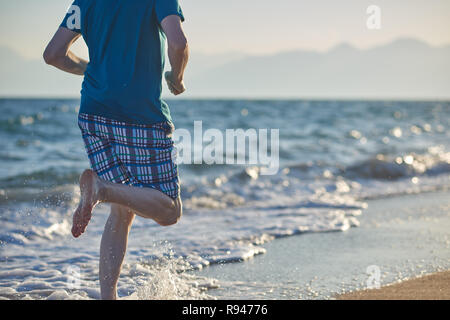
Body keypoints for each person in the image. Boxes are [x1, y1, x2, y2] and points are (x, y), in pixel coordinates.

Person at [43, 0, 189, 300]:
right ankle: (101, 190)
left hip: (93, 114)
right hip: (140, 117)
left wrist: (91, 68)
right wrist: (177, 77)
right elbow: (178, 42)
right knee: (169, 210)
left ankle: (108, 298)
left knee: (123, 210)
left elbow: (53, 54)